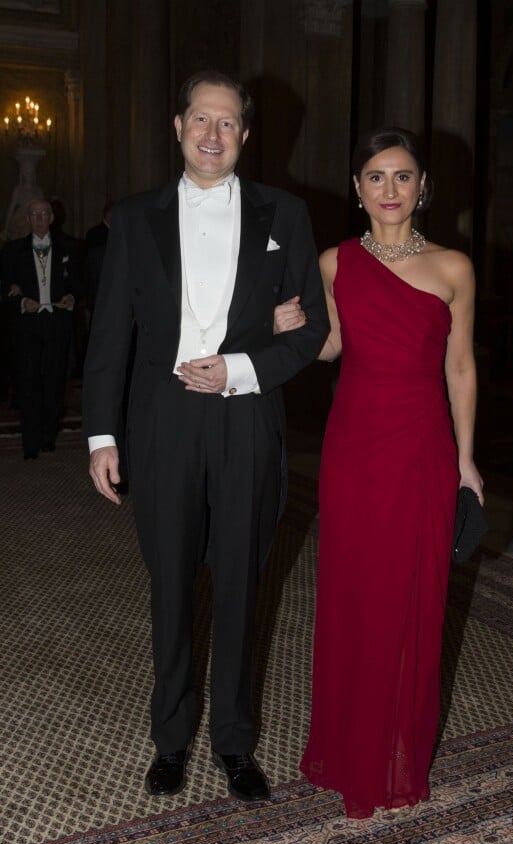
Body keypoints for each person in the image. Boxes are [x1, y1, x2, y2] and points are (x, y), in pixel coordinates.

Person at [82, 69, 329, 803]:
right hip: (160, 424)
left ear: (245, 135)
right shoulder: (132, 218)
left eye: (228, 123)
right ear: (179, 126)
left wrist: (242, 369)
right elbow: (108, 340)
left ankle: (234, 743)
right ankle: (170, 738)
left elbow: (310, 327)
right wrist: (101, 434)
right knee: (171, 587)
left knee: (241, 585)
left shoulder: (285, 213)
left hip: (245, 418)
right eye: (201, 120)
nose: (213, 135)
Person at [276, 127, 483, 819]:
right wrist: (292, 327)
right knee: (355, 595)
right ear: (356, 187)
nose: (389, 190)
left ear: (423, 187)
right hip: (355, 448)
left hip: (420, 448)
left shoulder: (454, 267)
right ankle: (350, 748)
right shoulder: (335, 262)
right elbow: (331, 346)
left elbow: (460, 366)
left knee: (410, 596)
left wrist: (465, 461)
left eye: (402, 177)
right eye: (375, 176)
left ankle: (396, 751)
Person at [0, 199, 77, 459]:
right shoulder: (12, 251)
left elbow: (81, 284)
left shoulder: (69, 248)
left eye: (44, 214)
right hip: (27, 328)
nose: (40, 219)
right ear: (28, 219)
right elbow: (5, 289)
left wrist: (72, 298)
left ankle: (48, 436)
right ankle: (30, 442)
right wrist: (20, 300)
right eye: (34, 214)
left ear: (52, 217)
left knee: (54, 383)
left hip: (57, 325)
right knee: (29, 383)